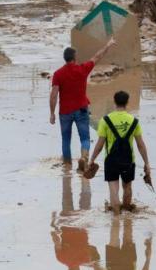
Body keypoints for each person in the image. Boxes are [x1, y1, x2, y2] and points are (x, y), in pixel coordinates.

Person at [49, 38, 117, 171]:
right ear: (74, 58)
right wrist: (108, 44)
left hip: (65, 112)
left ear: (65, 59)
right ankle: (84, 158)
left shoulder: (58, 74)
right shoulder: (82, 69)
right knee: (85, 138)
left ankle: (67, 166)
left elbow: (53, 95)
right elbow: (97, 56)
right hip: (81, 109)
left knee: (66, 140)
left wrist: (52, 113)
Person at [88, 91, 150, 215]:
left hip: (111, 160)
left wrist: (92, 159)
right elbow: (140, 145)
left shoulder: (105, 120)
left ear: (115, 102)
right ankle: (127, 215)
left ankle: (116, 218)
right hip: (128, 160)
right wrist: (146, 163)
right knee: (127, 187)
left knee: (113, 190)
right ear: (127, 103)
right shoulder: (134, 121)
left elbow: (100, 144)